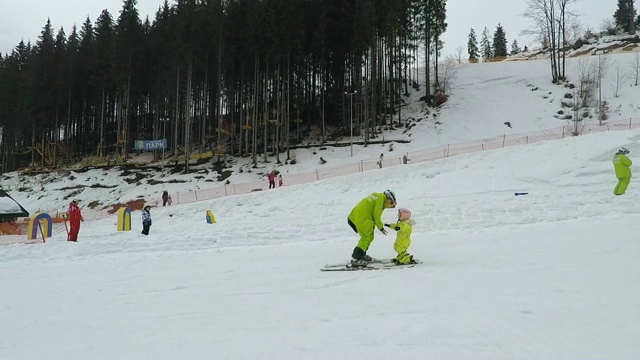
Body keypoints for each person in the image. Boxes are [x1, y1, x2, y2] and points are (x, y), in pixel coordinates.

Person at [347, 190, 397, 267]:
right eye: (391, 201)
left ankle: (362, 254)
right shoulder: (380, 200)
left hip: (356, 217)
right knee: (366, 237)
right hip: (363, 218)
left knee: (370, 237)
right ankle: (355, 258)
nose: (390, 204)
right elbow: (376, 216)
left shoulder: (377, 198)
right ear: (387, 197)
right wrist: (381, 228)